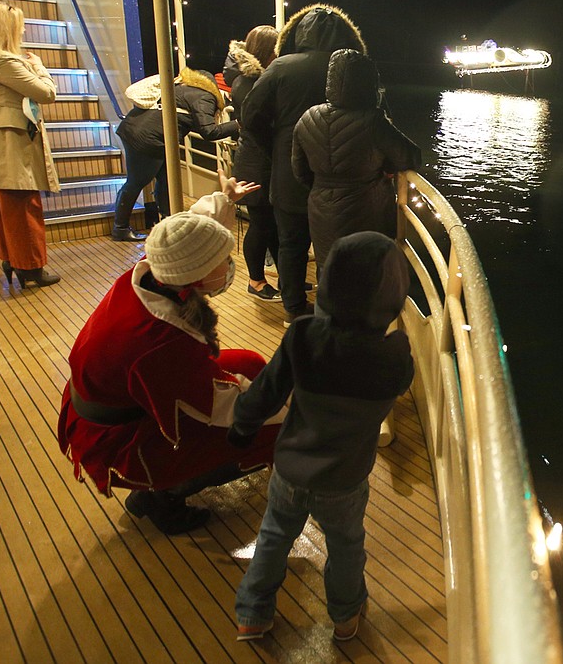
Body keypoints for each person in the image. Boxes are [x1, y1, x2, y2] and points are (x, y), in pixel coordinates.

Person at [57, 180, 285, 535]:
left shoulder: (157, 271)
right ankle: (160, 494)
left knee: (251, 365)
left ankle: (159, 488)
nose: (227, 265)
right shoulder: (157, 341)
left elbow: (188, 233)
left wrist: (224, 200)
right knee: (274, 427)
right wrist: (297, 410)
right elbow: (217, 407)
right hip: (118, 440)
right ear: (194, 276)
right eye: (221, 261)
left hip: (117, 401)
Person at [227, 231, 414, 642]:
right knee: (346, 547)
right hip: (344, 480)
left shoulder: (303, 336)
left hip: (291, 469)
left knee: (274, 538)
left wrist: (243, 427)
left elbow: (264, 393)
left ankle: (253, 613)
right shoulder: (393, 359)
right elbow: (399, 379)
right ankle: (346, 617)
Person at [242, 3, 366, 323]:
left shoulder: (281, 67)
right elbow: (375, 115)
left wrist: (274, 147)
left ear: (299, 33)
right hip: (340, 175)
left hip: (287, 172)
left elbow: (251, 115)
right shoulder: (354, 67)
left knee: (290, 243)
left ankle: (293, 309)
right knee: (334, 247)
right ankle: (331, 311)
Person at [0, 0, 62, 288]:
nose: (23, 30)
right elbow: (46, 93)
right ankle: (30, 268)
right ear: (4, 29)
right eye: (18, 26)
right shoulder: (3, 62)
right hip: (7, 140)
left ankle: (10, 258)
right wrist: (40, 67)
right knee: (22, 204)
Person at [293, 49, 421, 275]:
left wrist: (325, 186)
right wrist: (387, 169)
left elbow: (300, 171)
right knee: (365, 274)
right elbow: (411, 157)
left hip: (320, 210)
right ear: (367, 82)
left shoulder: (308, 117)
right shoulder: (372, 120)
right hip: (365, 212)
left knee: (330, 271)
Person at [111, 67, 239, 241]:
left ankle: (167, 221)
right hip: (148, 138)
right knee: (136, 182)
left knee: (166, 181)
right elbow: (209, 132)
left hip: (140, 130)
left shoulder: (187, 87)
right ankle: (120, 229)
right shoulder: (205, 97)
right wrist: (239, 123)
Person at [225, 25, 283, 301]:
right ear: (266, 51)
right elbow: (258, 125)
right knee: (260, 224)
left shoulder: (247, 80)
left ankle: (283, 277)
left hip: (256, 160)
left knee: (269, 223)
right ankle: (256, 281)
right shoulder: (249, 83)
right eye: (276, 49)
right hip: (256, 163)